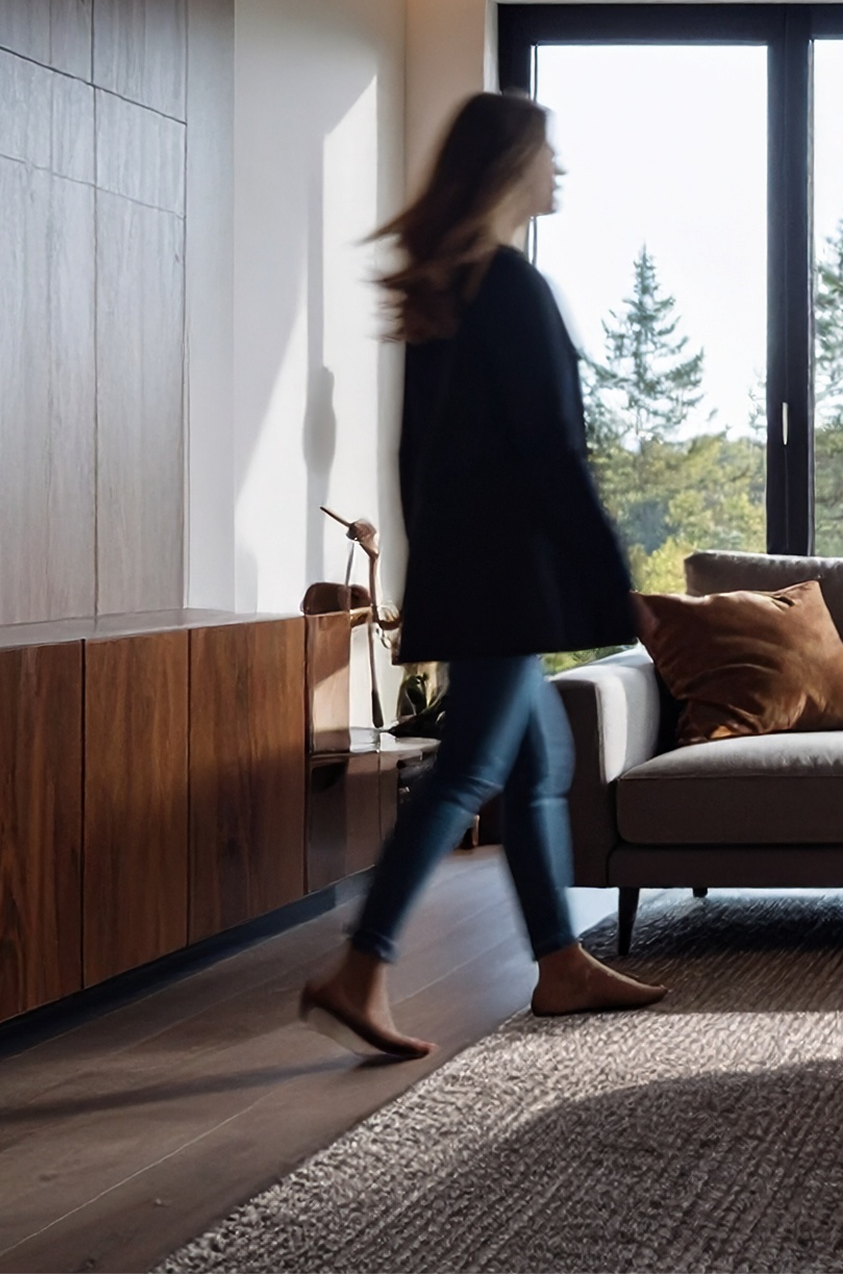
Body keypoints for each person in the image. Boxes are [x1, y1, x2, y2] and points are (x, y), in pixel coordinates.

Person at [301, 91, 666, 1059]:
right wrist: (616, 581)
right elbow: (554, 455)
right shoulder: (506, 286)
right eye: (549, 153)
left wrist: (438, 583)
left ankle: (560, 961)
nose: (562, 171)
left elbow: (419, 465)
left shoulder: (448, 294)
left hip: (475, 580)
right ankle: (361, 963)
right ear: (510, 168)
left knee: (538, 761)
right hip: (506, 584)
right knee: (468, 768)